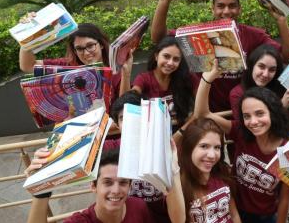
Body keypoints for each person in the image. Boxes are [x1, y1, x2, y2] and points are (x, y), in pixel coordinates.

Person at [151, 0, 289, 112]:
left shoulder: (253, 35)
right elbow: (159, 39)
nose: (226, 11)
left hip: (246, 110)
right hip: (208, 111)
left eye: (232, 6)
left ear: (239, 8)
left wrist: (281, 21)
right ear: (212, 8)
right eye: (220, 6)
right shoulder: (197, 34)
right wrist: (164, 2)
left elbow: (288, 58)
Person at [193, 61, 289, 223]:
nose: (253, 122)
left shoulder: (288, 149)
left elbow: (285, 198)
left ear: (273, 113)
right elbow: (202, 114)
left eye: (260, 113)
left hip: (265, 217)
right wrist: (207, 79)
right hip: (233, 210)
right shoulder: (241, 131)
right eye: (247, 116)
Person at [104, 90, 186, 223]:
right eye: (123, 118)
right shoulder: (110, 149)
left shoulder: (164, 149)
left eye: (135, 115)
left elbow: (179, 219)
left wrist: (173, 170)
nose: (130, 122)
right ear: (118, 125)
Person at [26, 148, 154, 223]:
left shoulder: (139, 206)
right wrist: (40, 192)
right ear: (93, 186)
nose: (116, 190)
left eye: (123, 182)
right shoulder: (81, 221)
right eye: (107, 182)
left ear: (130, 186)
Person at [19, 23, 132, 101]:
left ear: (101, 44)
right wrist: (30, 35)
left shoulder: (116, 71)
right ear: (74, 50)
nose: (86, 53)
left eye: (90, 46)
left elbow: (125, 108)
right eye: (80, 48)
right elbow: (28, 66)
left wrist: (126, 74)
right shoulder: (67, 66)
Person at [229, 44, 289, 126]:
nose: (265, 74)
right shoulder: (238, 94)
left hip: (288, 139)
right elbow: (250, 131)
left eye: (272, 70)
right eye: (261, 66)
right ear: (252, 65)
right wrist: (281, 106)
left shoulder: (282, 88)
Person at [179, 118, 241, 222]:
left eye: (217, 147)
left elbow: (234, 214)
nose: (212, 155)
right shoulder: (180, 185)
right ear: (189, 147)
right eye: (204, 146)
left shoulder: (223, 172)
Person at [128, 36, 197, 129]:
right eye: (166, 56)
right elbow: (128, 103)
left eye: (176, 59)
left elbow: (200, 108)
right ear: (156, 56)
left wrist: (181, 133)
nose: (170, 63)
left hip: (181, 133)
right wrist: (125, 73)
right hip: (153, 133)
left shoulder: (187, 78)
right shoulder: (143, 79)